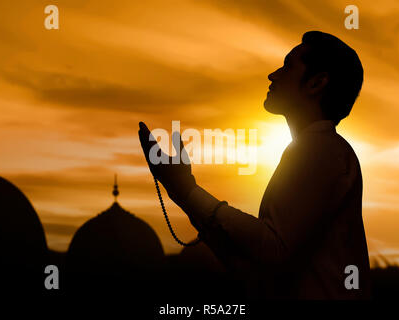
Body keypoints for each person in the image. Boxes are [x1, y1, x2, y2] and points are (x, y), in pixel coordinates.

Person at [138, 31, 371, 299]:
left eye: (287, 66)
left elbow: (271, 250)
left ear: (317, 83)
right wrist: (182, 192)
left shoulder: (320, 149)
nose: (273, 75)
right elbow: (256, 270)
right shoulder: (317, 150)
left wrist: (186, 191)